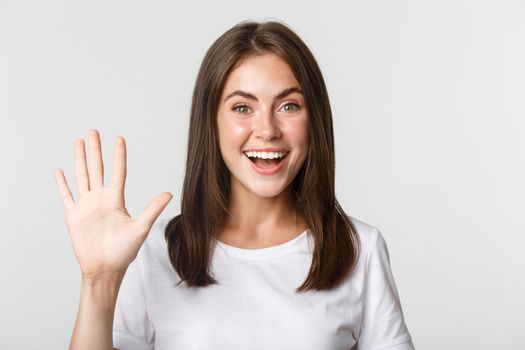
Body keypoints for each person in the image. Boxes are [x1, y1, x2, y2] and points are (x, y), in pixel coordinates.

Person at [55, 20, 415, 350]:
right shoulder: (153, 252)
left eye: (289, 106)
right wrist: (99, 281)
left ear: (314, 119)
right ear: (211, 122)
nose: (268, 129)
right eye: (242, 108)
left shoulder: (359, 249)